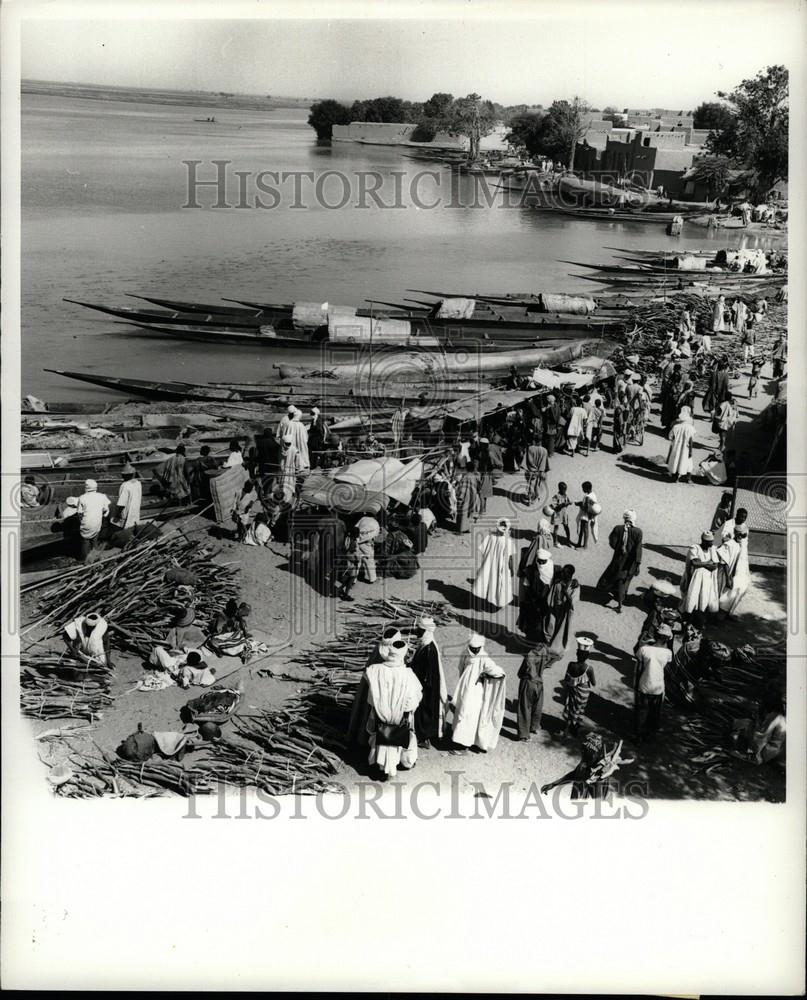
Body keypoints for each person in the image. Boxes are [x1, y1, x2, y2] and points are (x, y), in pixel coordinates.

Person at [365, 638, 423, 781]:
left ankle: (380, 765)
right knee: (402, 739)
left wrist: (380, 708)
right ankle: (402, 763)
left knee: (380, 738)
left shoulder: (374, 670)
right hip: (400, 717)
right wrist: (403, 710)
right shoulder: (408, 675)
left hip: (380, 716)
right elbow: (414, 698)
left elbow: (371, 696)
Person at [347, 626, 402, 750]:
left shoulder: (379, 647)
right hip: (383, 692)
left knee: (365, 713)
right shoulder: (391, 655)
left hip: (370, 688)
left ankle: (362, 739)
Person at [449, 634, 506, 753]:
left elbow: (498, 673)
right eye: (473, 648)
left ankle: (464, 746)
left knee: (470, 717)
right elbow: (461, 668)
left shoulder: (484, 658)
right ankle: (461, 742)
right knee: (461, 713)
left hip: (475, 693)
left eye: (477, 648)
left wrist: (485, 675)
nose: (474, 650)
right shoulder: (465, 653)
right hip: (465, 689)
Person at [541, 732, 632, 800]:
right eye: (583, 748)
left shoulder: (599, 771)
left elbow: (597, 802)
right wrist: (553, 784)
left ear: (594, 751)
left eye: (586, 749)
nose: (582, 750)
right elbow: (573, 775)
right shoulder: (585, 761)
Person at [410, 615, 448, 748]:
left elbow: (427, 673)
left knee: (424, 711)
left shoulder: (429, 649)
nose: (418, 633)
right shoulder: (426, 644)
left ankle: (424, 738)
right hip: (424, 685)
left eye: (421, 631)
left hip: (426, 688)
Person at [597, 510, 643, 614]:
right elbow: (638, 549)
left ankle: (619, 600)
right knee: (624, 581)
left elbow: (612, 543)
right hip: (631, 563)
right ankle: (620, 603)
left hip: (618, 560)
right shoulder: (638, 532)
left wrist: (620, 548)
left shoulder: (618, 529)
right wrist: (638, 564)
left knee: (616, 578)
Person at [634, 624, 673, 742]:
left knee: (642, 710)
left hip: (644, 684)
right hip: (658, 686)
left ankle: (639, 736)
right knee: (654, 711)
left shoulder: (644, 650)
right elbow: (666, 671)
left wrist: (636, 686)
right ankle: (649, 734)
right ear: (666, 639)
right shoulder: (668, 653)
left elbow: (638, 670)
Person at [473, 517, 515, 609]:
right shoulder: (508, 541)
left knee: (487, 581)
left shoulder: (490, 536)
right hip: (501, 566)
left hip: (488, 564)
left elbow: (483, 550)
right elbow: (510, 558)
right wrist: (511, 569)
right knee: (500, 584)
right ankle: (497, 602)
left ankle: (486, 601)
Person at [339, 513, 380, 600]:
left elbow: (356, 526)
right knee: (369, 561)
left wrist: (358, 538)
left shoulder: (363, 518)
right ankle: (372, 578)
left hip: (357, 542)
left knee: (357, 563)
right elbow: (374, 535)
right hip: (366, 543)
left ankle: (353, 581)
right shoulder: (376, 524)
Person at [516, 543, 554, 639]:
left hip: (545, 603)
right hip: (533, 602)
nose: (540, 563)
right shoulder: (531, 571)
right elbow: (526, 585)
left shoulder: (552, 568)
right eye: (539, 561)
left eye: (543, 561)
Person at [560, 636, 596, 735]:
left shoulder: (570, 665)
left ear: (577, 653)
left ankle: (569, 726)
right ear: (587, 656)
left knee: (571, 708)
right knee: (580, 709)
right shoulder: (589, 668)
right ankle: (575, 727)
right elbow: (593, 683)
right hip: (583, 694)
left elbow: (566, 679)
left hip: (572, 691)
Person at [544, 563, 579, 663]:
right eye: (562, 572)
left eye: (565, 573)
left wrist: (565, 591)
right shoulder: (557, 583)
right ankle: (550, 648)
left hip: (566, 612)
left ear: (570, 575)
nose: (562, 574)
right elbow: (550, 597)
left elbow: (572, 601)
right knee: (551, 627)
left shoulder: (575, 586)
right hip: (555, 609)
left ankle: (557, 652)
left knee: (562, 631)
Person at [516, 640, 551, 740]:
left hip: (528, 682)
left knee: (524, 707)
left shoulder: (530, 655)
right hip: (539, 682)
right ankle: (534, 726)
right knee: (537, 706)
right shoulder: (544, 650)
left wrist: (521, 675)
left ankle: (524, 734)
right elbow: (548, 660)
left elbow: (522, 670)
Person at [679, 530, 720, 615]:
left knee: (703, 596)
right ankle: (688, 611)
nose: (711, 544)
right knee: (693, 594)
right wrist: (708, 562)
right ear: (704, 541)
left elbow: (715, 565)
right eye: (709, 542)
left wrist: (702, 564)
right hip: (695, 577)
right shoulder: (695, 548)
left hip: (707, 578)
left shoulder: (712, 549)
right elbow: (694, 563)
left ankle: (699, 612)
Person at [718, 524, 750, 616]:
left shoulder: (743, 545)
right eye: (739, 534)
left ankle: (729, 612)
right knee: (724, 594)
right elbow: (724, 562)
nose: (741, 537)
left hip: (737, 575)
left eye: (743, 535)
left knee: (739, 591)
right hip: (727, 574)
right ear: (735, 533)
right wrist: (728, 578)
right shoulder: (729, 545)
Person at [76, 478, 111, 560]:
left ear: (86, 487)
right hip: (97, 522)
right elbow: (105, 509)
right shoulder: (102, 496)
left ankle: (85, 559)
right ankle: (95, 557)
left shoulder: (82, 497)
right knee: (95, 539)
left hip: (87, 523)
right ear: (95, 487)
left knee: (85, 540)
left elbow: (79, 513)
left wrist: (81, 521)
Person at [666, 406, 695, 483]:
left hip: (676, 446)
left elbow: (670, 437)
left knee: (675, 461)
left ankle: (675, 476)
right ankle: (688, 477)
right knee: (686, 462)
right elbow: (691, 440)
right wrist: (691, 451)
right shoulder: (690, 427)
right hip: (686, 448)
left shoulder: (676, 426)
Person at [454, 461, 481, 534]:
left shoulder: (465, 476)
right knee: (469, 512)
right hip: (472, 495)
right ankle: (467, 528)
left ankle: (461, 529)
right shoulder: (475, 476)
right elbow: (478, 487)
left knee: (462, 512)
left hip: (465, 496)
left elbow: (461, 487)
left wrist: (459, 495)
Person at [523, 435, 549, 505]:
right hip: (540, 471)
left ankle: (530, 499)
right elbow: (544, 463)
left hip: (531, 471)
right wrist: (541, 470)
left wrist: (532, 468)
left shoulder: (530, 449)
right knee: (538, 485)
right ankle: (535, 498)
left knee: (530, 484)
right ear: (541, 441)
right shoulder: (544, 450)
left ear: (534, 440)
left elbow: (528, 461)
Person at [575, 481, 600, 549]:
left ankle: (584, 545)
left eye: (583, 488)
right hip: (589, 515)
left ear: (587, 488)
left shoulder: (587, 497)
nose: (582, 490)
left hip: (585, 515)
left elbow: (585, 508)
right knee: (583, 529)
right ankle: (579, 543)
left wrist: (578, 504)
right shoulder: (593, 494)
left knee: (584, 530)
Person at [549, 482, 573, 547]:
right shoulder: (555, 496)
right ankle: (555, 542)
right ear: (560, 489)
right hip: (557, 514)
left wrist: (568, 503)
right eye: (564, 489)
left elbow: (567, 502)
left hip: (564, 514)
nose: (565, 491)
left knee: (566, 527)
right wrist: (563, 504)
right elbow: (555, 507)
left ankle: (568, 541)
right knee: (556, 528)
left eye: (566, 489)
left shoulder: (565, 495)